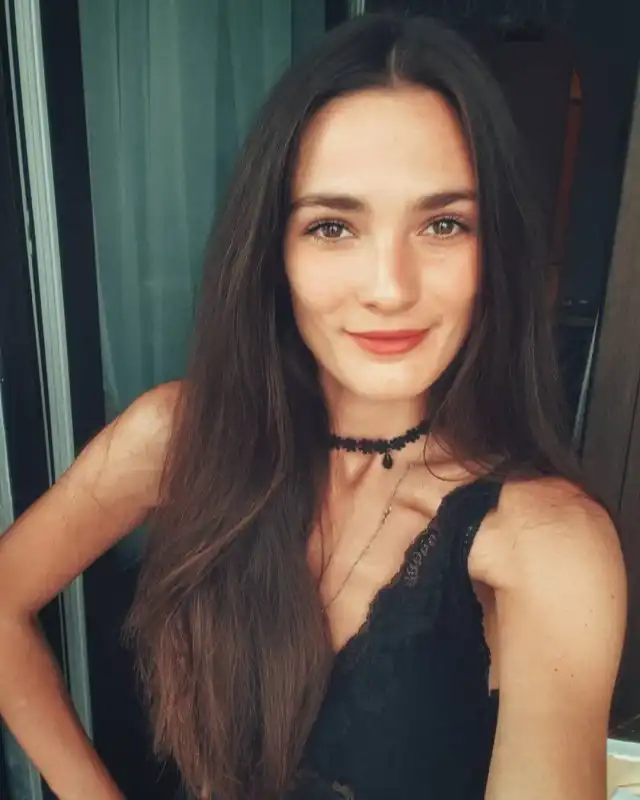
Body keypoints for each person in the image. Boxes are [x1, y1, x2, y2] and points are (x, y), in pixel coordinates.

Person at [0, 12, 627, 800]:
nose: (389, 288)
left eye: (443, 224)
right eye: (333, 226)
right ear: (274, 252)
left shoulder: (544, 545)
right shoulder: (181, 438)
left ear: (493, 251)